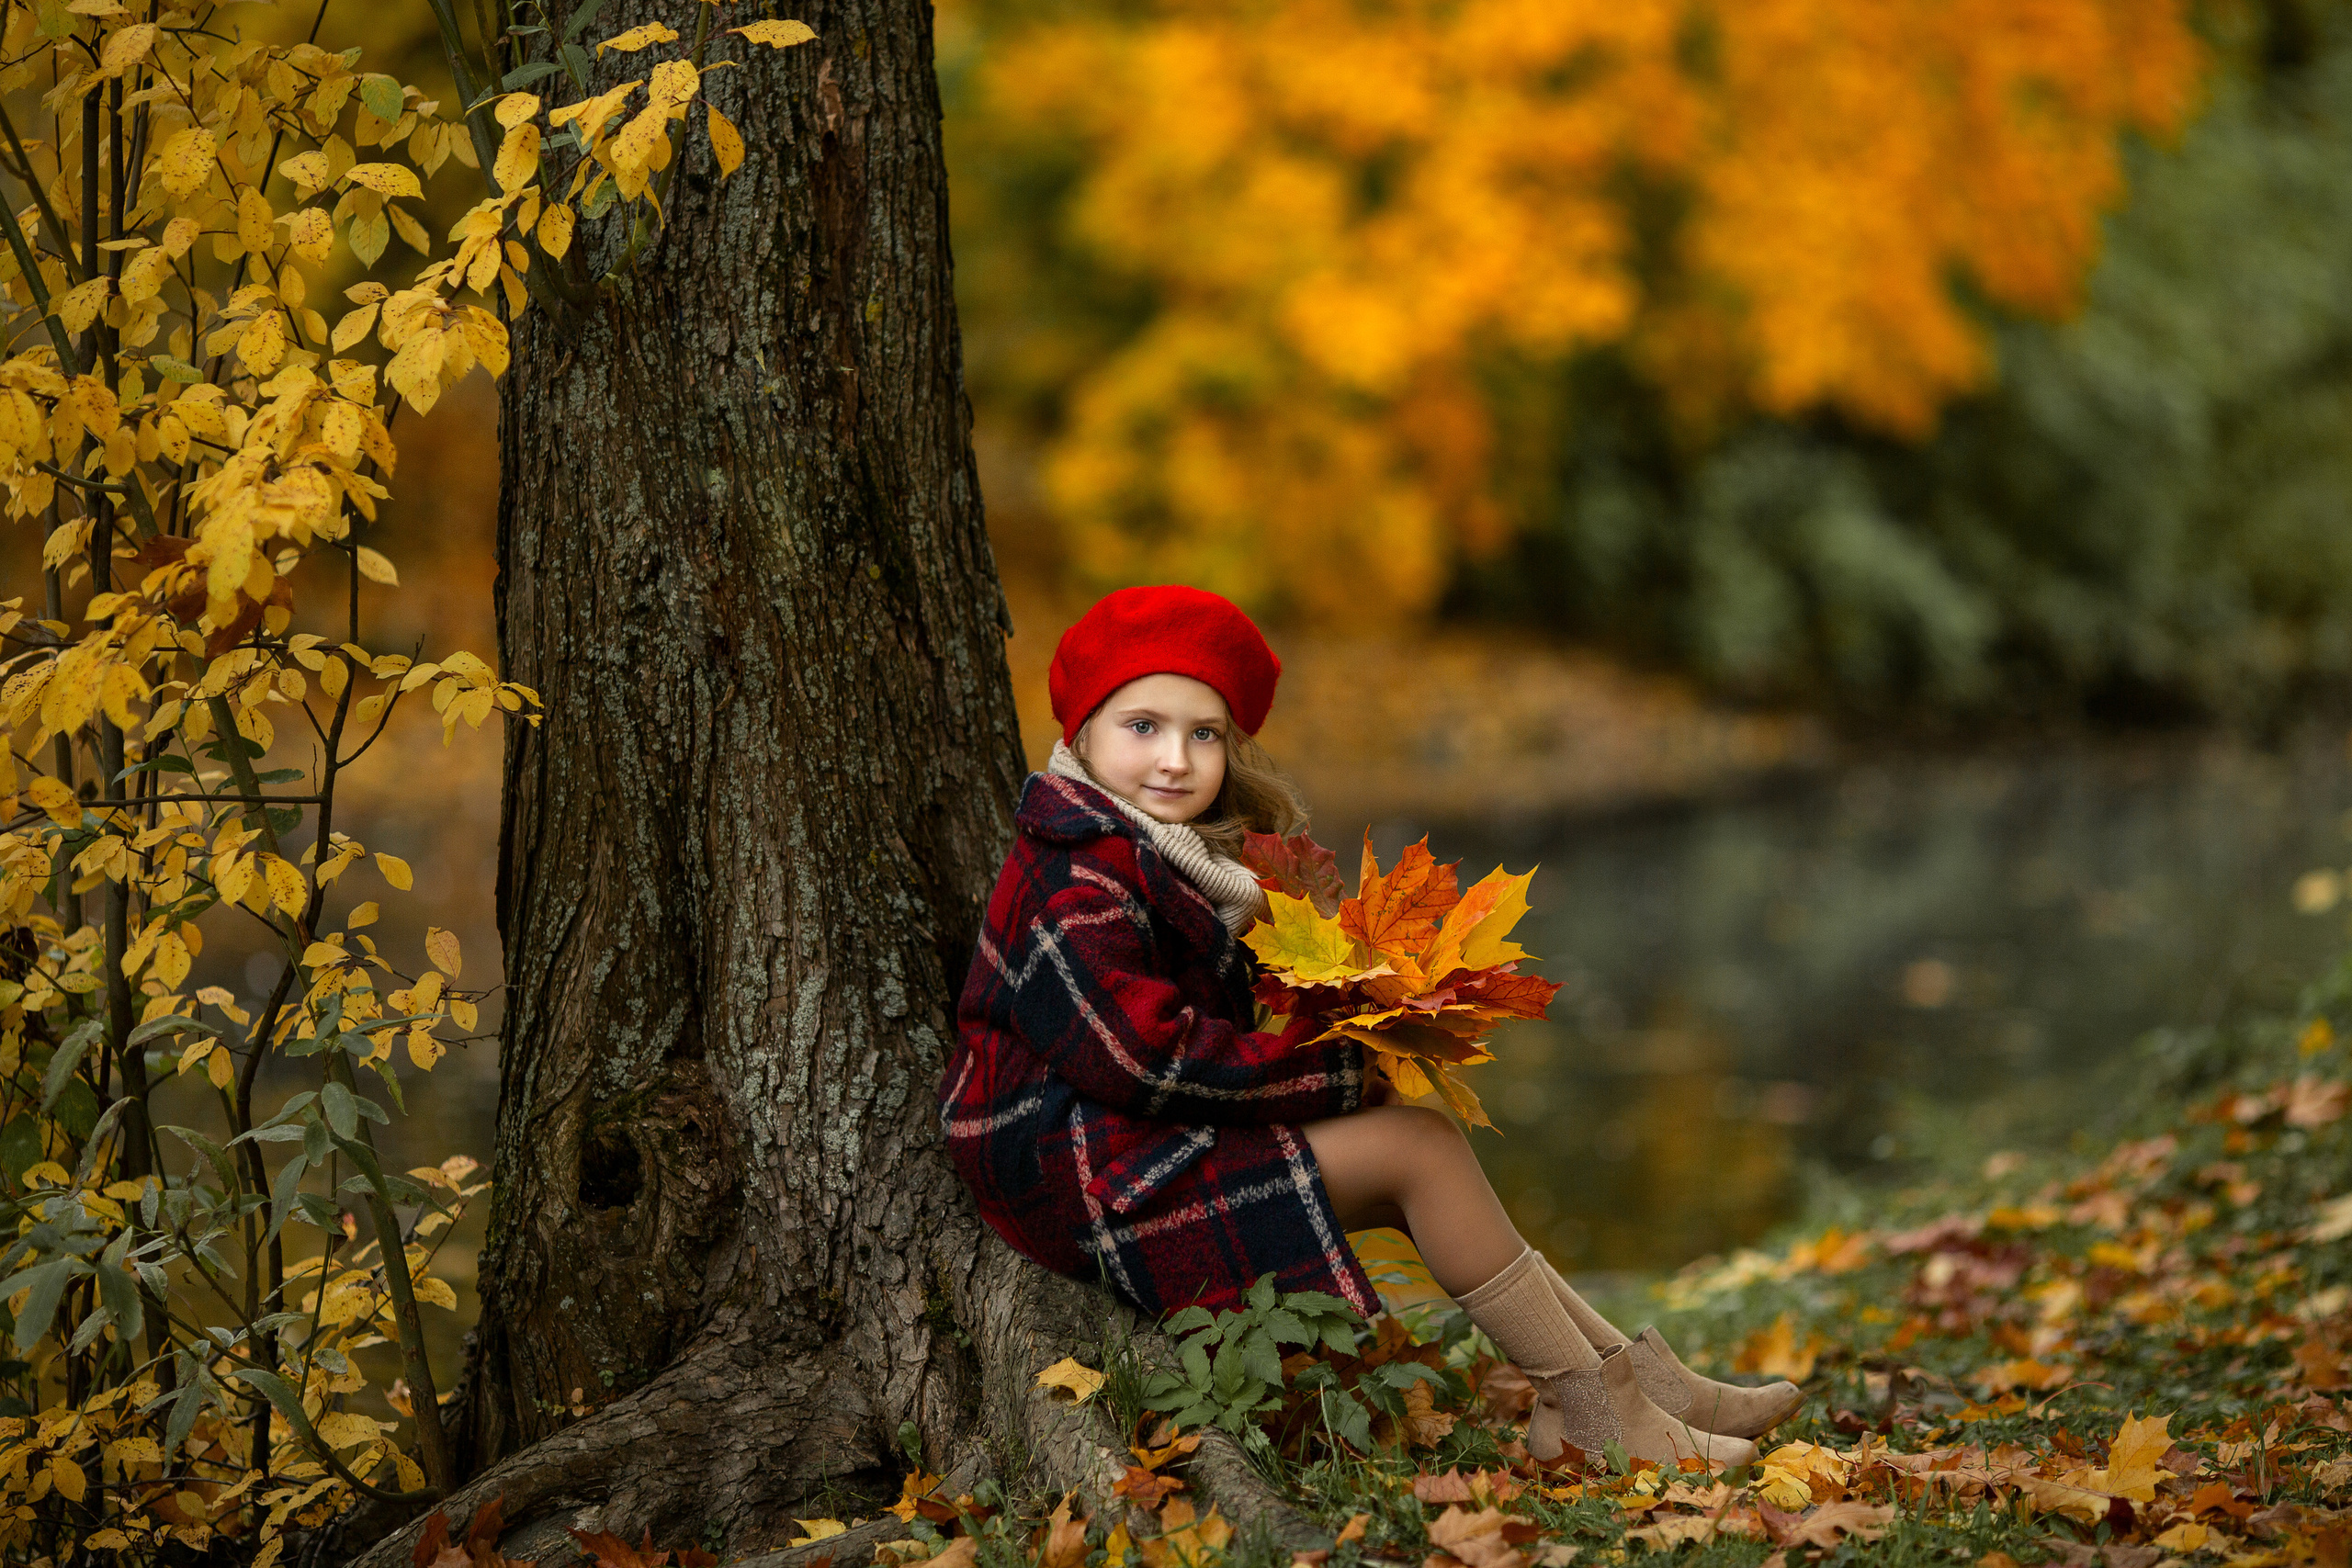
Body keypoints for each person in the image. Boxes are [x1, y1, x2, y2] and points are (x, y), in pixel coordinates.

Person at [941, 585, 1800, 1466]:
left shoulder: (1154, 851)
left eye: (1204, 733)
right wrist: (1332, 1072)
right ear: (1082, 732)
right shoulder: (1078, 876)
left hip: (1125, 1138)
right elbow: (1142, 1057)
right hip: (1079, 1170)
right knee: (1416, 1150)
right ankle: (1594, 1407)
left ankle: (1629, 1382)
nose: (1174, 759)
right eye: (1142, 726)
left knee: (1416, 1154)